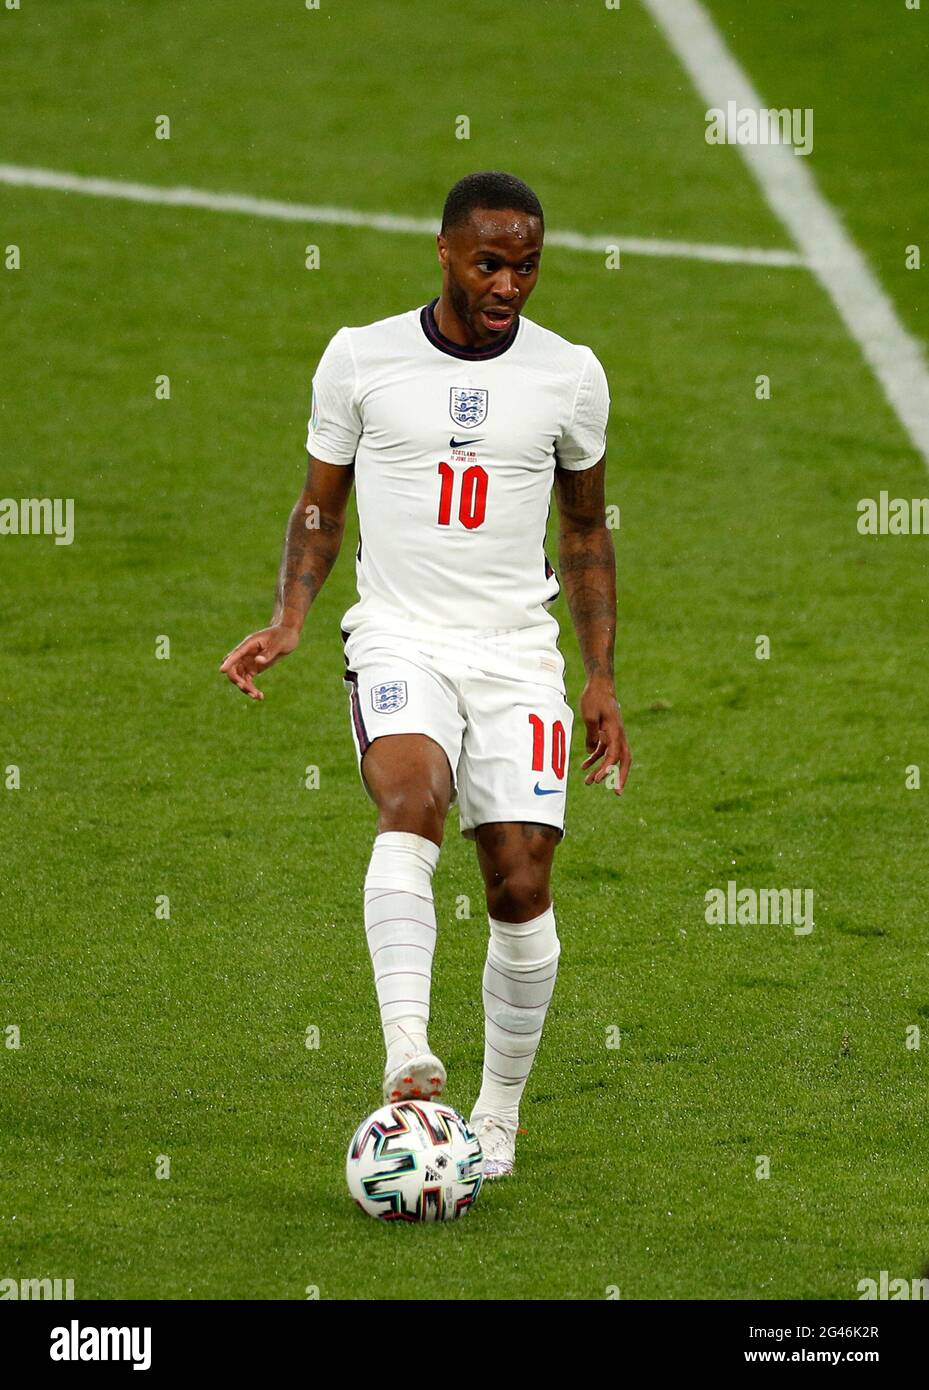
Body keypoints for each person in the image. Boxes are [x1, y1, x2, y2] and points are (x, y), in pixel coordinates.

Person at [220, 170, 631, 1178]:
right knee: (410, 799)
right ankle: (408, 1047)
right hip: (399, 635)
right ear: (442, 251)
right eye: (489, 263)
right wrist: (289, 617)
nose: (508, 285)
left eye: (526, 266)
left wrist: (600, 676)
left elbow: (583, 529)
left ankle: (496, 1113)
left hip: (513, 649)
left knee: (519, 878)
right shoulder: (361, 359)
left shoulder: (569, 374)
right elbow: (321, 506)